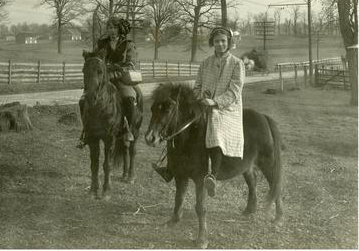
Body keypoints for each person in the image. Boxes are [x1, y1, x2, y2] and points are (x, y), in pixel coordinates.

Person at [153, 27, 245, 197]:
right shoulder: (205, 62)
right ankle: (170, 166)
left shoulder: (236, 64)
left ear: (229, 43)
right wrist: (195, 101)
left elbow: (234, 91)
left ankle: (212, 174)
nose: (220, 44)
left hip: (226, 108)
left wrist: (215, 101)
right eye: (217, 41)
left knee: (214, 125)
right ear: (213, 43)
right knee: (179, 126)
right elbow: (197, 87)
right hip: (203, 104)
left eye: (223, 41)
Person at [77, 16, 142, 149]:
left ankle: (127, 130)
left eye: (114, 27)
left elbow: (131, 65)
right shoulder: (102, 43)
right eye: (109, 27)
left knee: (129, 99)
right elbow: (95, 59)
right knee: (83, 100)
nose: (111, 31)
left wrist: (114, 73)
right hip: (102, 79)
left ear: (120, 29)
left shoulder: (128, 44)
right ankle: (85, 131)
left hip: (121, 79)